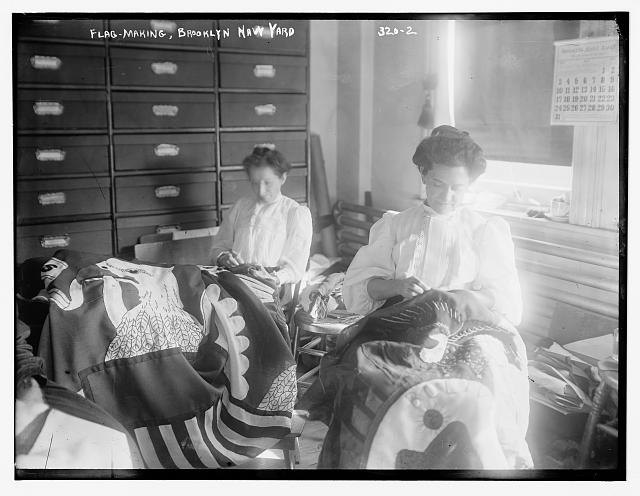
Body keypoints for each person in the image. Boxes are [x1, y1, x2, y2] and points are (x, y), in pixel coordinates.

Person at [343, 125, 522, 326]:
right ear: (423, 174)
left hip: (462, 330)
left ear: (469, 184)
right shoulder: (395, 225)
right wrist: (398, 286)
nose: (446, 196)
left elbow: (506, 299)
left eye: (457, 188)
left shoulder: (482, 231)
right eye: (438, 184)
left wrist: (465, 297)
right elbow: (359, 289)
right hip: (402, 326)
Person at [211, 146, 313, 287]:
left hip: (272, 287)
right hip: (236, 281)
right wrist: (223, 257)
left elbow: (295, 268)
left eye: (268, 183)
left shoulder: (294, 213)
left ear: (282, 178)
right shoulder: (241, 206)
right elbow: (218, 246)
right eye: (255, 183)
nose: (261, 191)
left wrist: (274, 278)